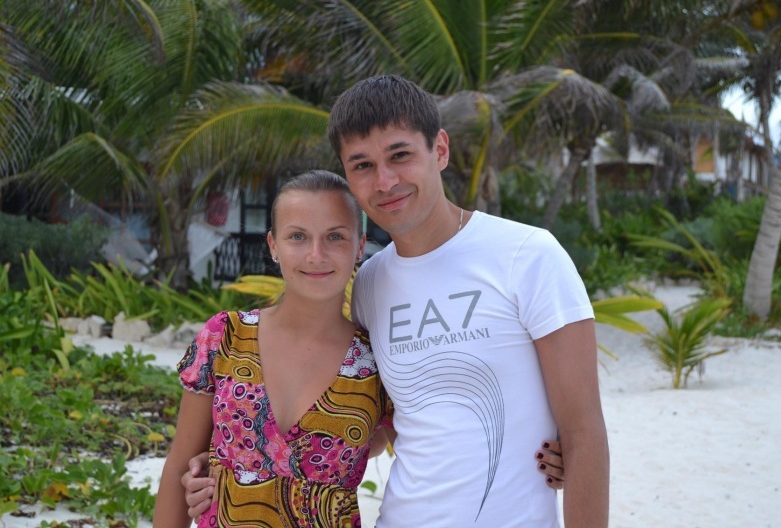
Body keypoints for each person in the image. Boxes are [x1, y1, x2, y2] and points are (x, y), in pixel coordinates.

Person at [184, 74, 607, 526]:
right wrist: (230, 460)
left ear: (439, 150)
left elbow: (583, 432)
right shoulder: (370, 282)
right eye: (363, 165)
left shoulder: (527, 255)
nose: (385, 181)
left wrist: (568, 456)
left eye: (400, 155)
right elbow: (376, 423)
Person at [153, 170, 394, 527]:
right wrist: (210, 467)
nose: (316, 255)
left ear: (360, 247)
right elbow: (180, 465)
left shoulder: (379, 358)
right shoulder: (225, 337)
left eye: (335, 237)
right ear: (273, 245)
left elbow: (405, 454)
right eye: (298, 236)